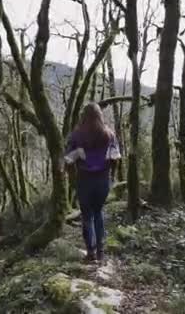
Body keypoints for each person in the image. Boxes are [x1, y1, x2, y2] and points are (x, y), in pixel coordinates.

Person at [65, 102, 121, 263]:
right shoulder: (109, 135)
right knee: (98, 213)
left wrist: (72, 178)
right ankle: (101, 252)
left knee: (87, 217)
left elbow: (69, 159)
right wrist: (112, 176)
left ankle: (90, 251)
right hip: (103, 180)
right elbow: (115, 158)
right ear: (99, 116)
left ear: (83, 116)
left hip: (84, 180)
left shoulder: (76, 135)